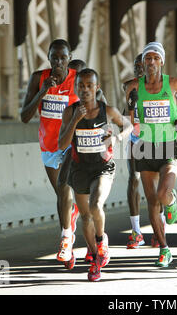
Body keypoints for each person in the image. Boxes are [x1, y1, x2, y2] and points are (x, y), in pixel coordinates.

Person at [58, 68, 132, 282]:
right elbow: (62, 144)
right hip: (79, 169)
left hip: (102, 167)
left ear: (97, 88)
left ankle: (101, 240)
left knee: (95, 205)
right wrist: (74, 121)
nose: (85, 90)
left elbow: (128, 125)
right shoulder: (70, 112)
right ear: (76, 88)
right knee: (85, 217)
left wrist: (116, 140)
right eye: (81, 86)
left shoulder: (107, 110)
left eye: (90, 86)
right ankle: (96, 260)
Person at [124, 42, 177, 267]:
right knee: (151, 201)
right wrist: (131, 110)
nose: (150, 62)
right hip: (144, 148)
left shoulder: (174, 83)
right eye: (147, 58)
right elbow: (131, 120)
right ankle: (164, 248)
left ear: (161, 61)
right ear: (143, 62)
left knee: (163, 194)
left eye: (155, 58)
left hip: (168, 146)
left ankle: (171, 203)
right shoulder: (133, 86)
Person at [20, 39, 80, 269]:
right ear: (48, 57)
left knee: (65, 186)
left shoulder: (77, 79)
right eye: (54, 58)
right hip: (48, 146)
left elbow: (95, 101)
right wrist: (43, 92)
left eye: (63, 58)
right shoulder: (39, 78)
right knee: (62, 197)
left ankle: (66, 240)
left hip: (71, 144)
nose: (58, 62)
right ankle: (70, 234)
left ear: (69, 58)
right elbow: (25, 116)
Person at [122, 53, 147, 249]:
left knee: (156, 186)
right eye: (136, 66)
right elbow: (126, 112)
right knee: (134, 178)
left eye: (143, 65)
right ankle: (136, 231)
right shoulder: (128, 86)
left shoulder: (163, 87)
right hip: (136, 137)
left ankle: (160, 227)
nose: (139, 69)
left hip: (158, 138)